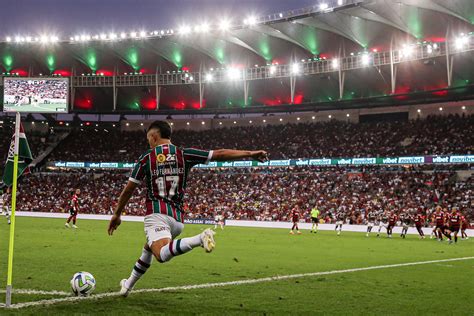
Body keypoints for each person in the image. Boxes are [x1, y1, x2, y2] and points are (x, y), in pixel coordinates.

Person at [107, 121, 268, 297]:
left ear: (154, 136)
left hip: (157, 212)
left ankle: (200, 238)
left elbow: (130, 188)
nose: (149, 143)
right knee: (148, 248)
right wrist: (250, 153)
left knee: (160, 253)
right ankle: (127, 286)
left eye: (148, 139)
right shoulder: (184, 154)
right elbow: (220, 154)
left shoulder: (147, 157)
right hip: (177, 219)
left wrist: (117, 214)